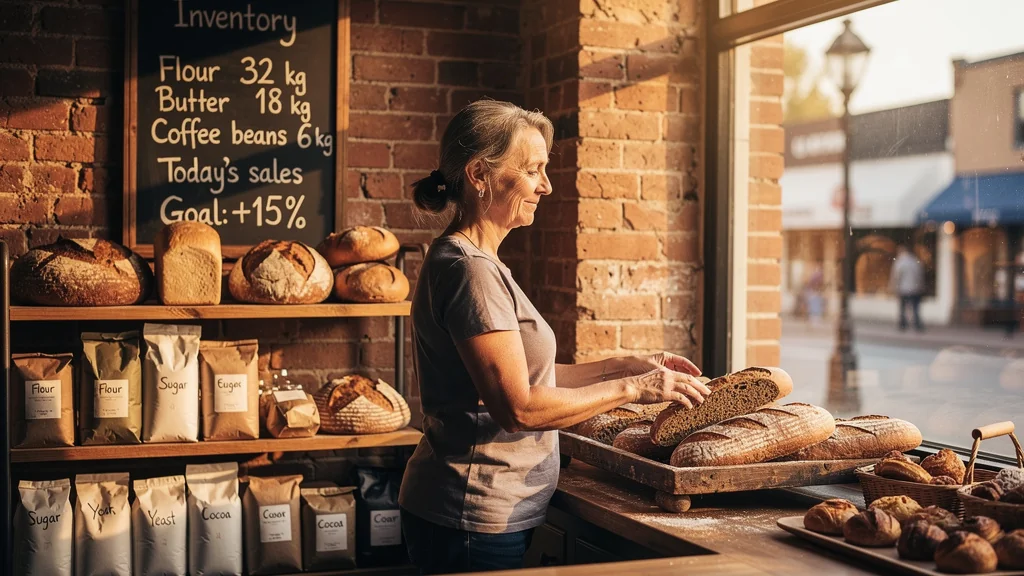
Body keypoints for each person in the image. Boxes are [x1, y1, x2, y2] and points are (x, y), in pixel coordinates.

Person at [398, 100, 711, 574]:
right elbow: (518, 407)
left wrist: (629, 364)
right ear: (480, 173)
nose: (546, 185)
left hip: (483, 513)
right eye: (532, 170)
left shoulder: (478, 263)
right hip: (470, 515)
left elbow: (532, 376)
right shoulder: (469, 271)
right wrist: (633, 390)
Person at [890, 244, 925, 331]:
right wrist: (920, 285)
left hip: (903, 288)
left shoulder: (900, 262)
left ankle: (903, 325)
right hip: (915, 288)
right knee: (915, 308)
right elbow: (919, 275)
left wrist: (894, 286)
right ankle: (917, 325)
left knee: (903, 308)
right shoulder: (914, 260)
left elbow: (896, 276)